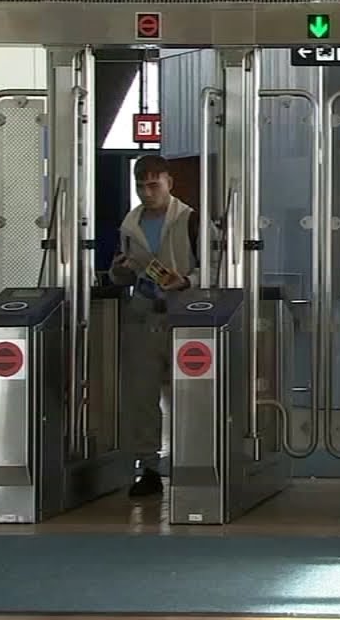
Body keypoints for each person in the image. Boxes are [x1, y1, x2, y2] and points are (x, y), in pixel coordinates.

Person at [110, 155, 200, 498]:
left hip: (184, 312)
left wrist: (187, 281)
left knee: (192, 389)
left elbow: (216, 265)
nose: (147, 193)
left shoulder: (190, 220)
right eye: (140, 186)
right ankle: (148, 466)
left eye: (153, 184)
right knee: (142, 393)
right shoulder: (129, 225)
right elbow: (123, 272)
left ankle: (194, 460)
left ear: (169, 183)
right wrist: (119, 270)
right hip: (144, 311)